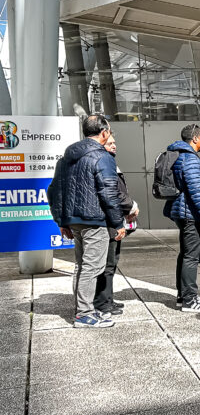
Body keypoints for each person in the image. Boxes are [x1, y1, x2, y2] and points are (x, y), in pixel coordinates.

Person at [50, 114, 125, 328]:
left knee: (81, 267)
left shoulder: (66, 158)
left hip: (74, 221)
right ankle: (84, 314)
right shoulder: (103, 157)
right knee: (92, 268)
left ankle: (84, 310)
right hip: (94, 221)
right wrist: (118, 224)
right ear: (104, 133)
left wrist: (62, 221)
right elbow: (109, 193)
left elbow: (54, 191)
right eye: (109, 131)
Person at [165, 124, 200, 314]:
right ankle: (189, 299)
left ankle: (183, 296)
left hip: (184, 213)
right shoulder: (190, 159)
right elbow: (197, 192)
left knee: (186, 254)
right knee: (191, 256)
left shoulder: (180, 156)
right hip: (190, 214)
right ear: (194, 139)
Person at [93, 139, 138, 318]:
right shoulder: (104, 163)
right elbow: (113, 193)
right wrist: (131, 207)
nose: (114, 145)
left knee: (112, 262)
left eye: (115, 142)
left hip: (114, 219)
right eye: (109, 142)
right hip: (108, 221)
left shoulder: (110, 163)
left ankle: (107, 299)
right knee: (107, 264)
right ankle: (103, 303)